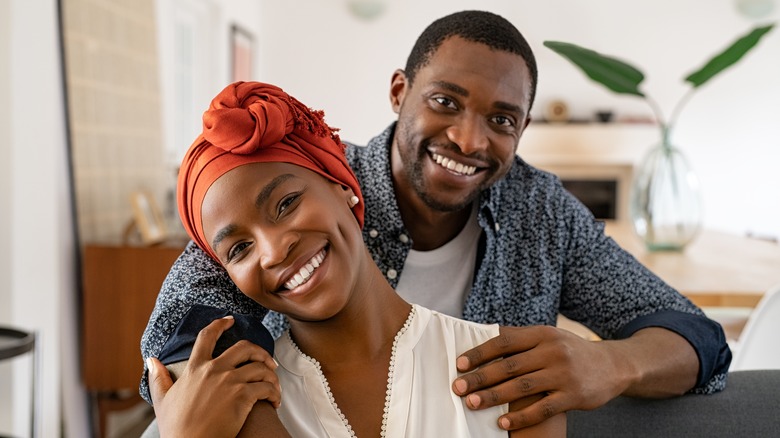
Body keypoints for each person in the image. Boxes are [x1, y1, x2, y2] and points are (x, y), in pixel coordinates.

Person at [141, 10, 731, 431]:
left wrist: (614, 361)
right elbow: (177, 338)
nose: (470, 139)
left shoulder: (542, 213)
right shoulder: (305, 192)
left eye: (502, 119)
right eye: (445, 102)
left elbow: (699, 338)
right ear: (400, 92)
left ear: (522, 131)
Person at [146, 80, 566, 437]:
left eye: (287, 203)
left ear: (343, 187)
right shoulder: (230, 402)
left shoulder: (510, 375)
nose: (274, 251)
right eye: (239, 249)